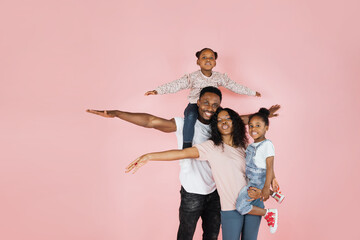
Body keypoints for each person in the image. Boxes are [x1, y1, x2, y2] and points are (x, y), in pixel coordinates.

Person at [87, 87, 280, 240]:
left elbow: (239, 124)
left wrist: (263, 116)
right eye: (205, 102)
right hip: (193, 192)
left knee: (212, 236)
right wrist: (117, 114)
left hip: (218, 193)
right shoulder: (192, 130)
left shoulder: (236, 142)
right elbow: (152, 122)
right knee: (186, 235)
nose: (210, 108)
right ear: (197, 102)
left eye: (215, 106)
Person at [126, 107, 278, 240]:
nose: (223, 122)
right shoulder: (211, 147)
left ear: (235, 122)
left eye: (228, 118)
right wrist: (149, 156)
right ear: (216, 126)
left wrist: (268, 185)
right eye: (219, 120)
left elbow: (262, 167)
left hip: (254, 201)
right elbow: (182, 153)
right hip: (231, 207)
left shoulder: (245, 146)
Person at [145, 48, 261, 149]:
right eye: (204, 57)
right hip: (195, 104)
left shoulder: (219, 77)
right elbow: (176, 85)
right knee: (190, 116)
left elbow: (234, 86)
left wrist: (252, 92)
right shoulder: (193, 77)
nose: (208, 60)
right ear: (198, 62)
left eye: (211, 58)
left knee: (225, 117)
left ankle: (225, 142)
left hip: (213, 106)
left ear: (215, 63)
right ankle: (187, 144)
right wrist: (158, 91)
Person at [235, 108, 285, 234]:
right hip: (251, 179)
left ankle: (269, 213)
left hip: (258, 181)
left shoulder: (267, 145)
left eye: (258, 126)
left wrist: (267, 188)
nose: (253, 129)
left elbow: (269, 166)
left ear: (266, 128)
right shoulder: (252, 145)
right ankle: (276, 194)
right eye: (251, 126)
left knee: (241, 207)